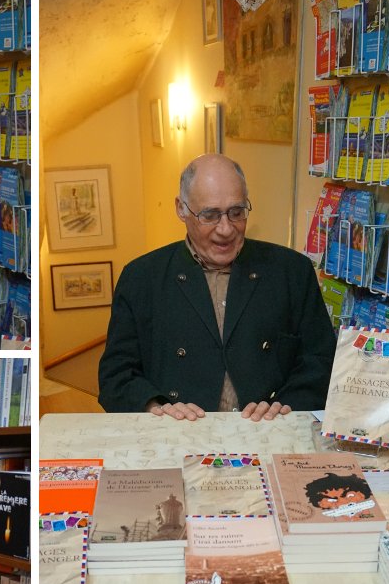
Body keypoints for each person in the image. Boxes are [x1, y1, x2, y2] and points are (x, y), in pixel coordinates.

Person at [98, 153, 336, 421]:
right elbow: (115, 376)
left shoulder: (292, 271)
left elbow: (321, 362)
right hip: (177, 437)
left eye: (236, 212)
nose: (225, 229)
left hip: (270, 435)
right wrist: (155, 407)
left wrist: (285, 406)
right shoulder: (141, 278)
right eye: (210, 215)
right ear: (181, 209)